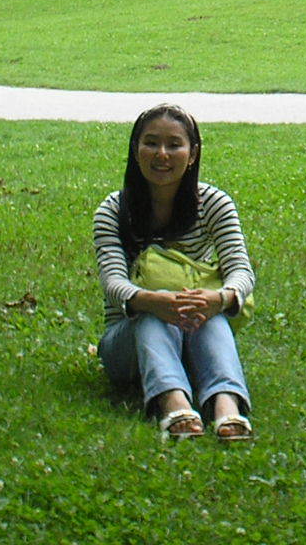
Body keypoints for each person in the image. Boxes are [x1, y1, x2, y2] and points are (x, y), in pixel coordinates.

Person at [94, 104, 256, 441]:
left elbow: (241, 270)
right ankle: (173, 404)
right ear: (135, 149)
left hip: (195, 333)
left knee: (206, 311)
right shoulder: (113, 210)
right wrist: (153, 301)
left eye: (174, 145)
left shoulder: (215, 204)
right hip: (127, 344)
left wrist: (220, 299)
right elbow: (113, 282)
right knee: (154, 312)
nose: (162, 155)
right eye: (151, 143)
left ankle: (227, 407)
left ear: (192, 153)